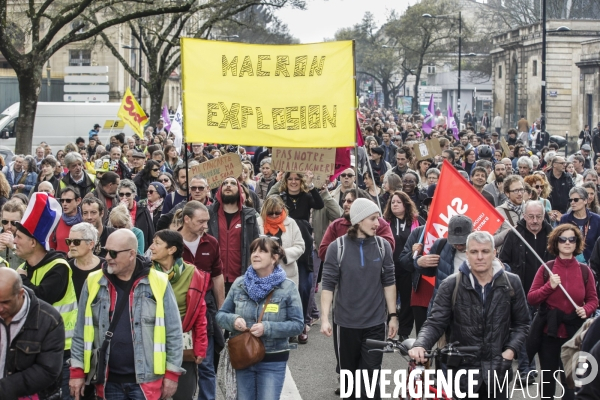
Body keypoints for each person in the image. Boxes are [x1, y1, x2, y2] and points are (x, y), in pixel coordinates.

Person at [409, 231, 530, 399]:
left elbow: (522, 324)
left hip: (497, 371)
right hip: (461, 373)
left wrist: (509, 352)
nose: (480, 257)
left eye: (485, 251)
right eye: (474, 252)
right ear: (467, 254)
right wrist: (421, 344)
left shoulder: (511, 282)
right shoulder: (451, 284)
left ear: (494, 253)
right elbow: (435, 323)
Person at [69, 230, 184, 400]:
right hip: (108, 382)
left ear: (131, 254)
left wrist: (172, 375)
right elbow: (80, 332)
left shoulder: (158, 282)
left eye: (113, 253)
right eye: (106, 251)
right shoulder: (93, 281)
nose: (107, 257)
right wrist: (77, 371)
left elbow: (174, 332)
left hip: (147, 383)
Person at [321, 198, 397, 399]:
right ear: (358, 220)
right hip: (345, 324)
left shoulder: (383, 247)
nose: (377, 223)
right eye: (373, 218)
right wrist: (325, 319)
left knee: (372, 376)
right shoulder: (337, 247)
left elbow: (389, 282)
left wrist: (393, 315)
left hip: (375, 322)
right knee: (349, 377)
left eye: (378, 218)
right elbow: (328, 284)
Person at [215, 236, 304, 400]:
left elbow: (298, 325)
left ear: (274, 257)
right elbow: (221, 316)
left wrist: (267, 328)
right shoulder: (240, 284)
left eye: (262, 251)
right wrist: (233, 320)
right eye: (253, 251)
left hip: (273, 358)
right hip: (243, 356)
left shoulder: (287, 287)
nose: (255, 254)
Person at [14, 192, 78, 400]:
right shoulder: (25, 267)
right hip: (33, 349)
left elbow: (39, 300)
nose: (14, 240)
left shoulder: (59, 267)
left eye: (19, 237)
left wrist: (20, 281)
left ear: (33, 242)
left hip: (62, 351)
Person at [527, 224, 598, 400]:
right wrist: (548, 287)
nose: (567, 242)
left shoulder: (584, 271)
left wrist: (586, 310)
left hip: (575, 336)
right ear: (556, 242)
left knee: (571, 383)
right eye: (563, 239)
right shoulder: (546, 269)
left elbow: (593, 299)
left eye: (571, 239)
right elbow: (532, 298)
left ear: (577, 243)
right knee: (548, 384)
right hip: (548, 335)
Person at [149, 230, 209, 400]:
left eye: (157, 243)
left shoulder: (192, 273)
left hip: (183, 343)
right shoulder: (147, 273)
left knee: (183, 394)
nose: (151, 247)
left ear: (171, 249)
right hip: (152, 342)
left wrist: (200, 346)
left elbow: (200, 314)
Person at [499, 200, 553, 383]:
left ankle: (548, 370)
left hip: (547, 293)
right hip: (521, 291)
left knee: (544, 333)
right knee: (523, 331)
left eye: (539, 216)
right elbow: (503, 261)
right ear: (524, 216)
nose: (535, 220)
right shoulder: (515, 234)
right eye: (531, 216)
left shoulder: (553, 234)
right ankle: (526, 369)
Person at [179, 201, 224, 400]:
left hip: (206, 308)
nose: (205, 226)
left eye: (207, 221)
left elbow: (217, 277)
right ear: (186, 219)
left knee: (206, 361)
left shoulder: (211, 242)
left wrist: (222, 310)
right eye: (200, 221)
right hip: (179, 308)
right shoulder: (170, 242)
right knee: (180, 360)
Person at [0, 268, 65, 399]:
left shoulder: (49, 319)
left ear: (20, 294)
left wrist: (4, 389)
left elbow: (48, 370)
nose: (0, 308)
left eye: (5, 302)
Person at [383, 191, 424, 341]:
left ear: (406, 205)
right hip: (388, 268)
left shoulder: (417, 221)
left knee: (407, 302)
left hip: (408, 268)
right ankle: (387, 330)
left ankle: (404, 333)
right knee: (388, 300)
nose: (394, 204)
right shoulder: (384, 222)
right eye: (392, 202)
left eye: (398, 202)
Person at [256, 196, 304, 284]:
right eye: (270, 213)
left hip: (287, 274)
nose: (274, 215)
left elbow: (300, 246)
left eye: (277, 212)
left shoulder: (291, 223)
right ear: (264, 210)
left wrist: (284, 252)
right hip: (262, 274)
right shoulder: (257, 223)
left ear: (283, 209)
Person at [559, 187, 600, 263]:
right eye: (570, 200)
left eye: (576, 200)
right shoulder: (564, 219)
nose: (572, 202)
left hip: (592, 264)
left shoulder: (596, 220)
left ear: (585, 200)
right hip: (569, 262)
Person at [67, 222, 105, 300]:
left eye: (76, 241)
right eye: (68, 241)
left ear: (91, 244)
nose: (71, 245)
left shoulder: (105, 267)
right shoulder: (66, 268)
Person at [115, 179, 155, 252]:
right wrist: (121, 209)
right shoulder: (114, 211)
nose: (124, 197)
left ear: (134, 195)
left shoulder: (143, 210)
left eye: (128, 194)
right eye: (121, 194)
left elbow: (150, 232)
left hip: (140, 248)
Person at [49, 186, 82, 254]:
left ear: (78, 201)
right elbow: (51, 248)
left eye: (68, 200)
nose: (64, 204)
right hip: (60, 262)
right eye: (62, 200)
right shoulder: (56, 221)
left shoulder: (85, 221)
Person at [494, 175, 525, 248]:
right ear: (507, 193)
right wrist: (510, 231)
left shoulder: (530, 209)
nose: (520, 193)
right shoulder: (498, 211)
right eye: (515, 191)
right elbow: (492, 241)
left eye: (521, 189)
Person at [0, 200, 25, 269]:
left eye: (14, 223)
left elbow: (32, 262)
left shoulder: (28, 238)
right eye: (5, 222)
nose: (9, 226)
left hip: (20, 278)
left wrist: (14, 247)